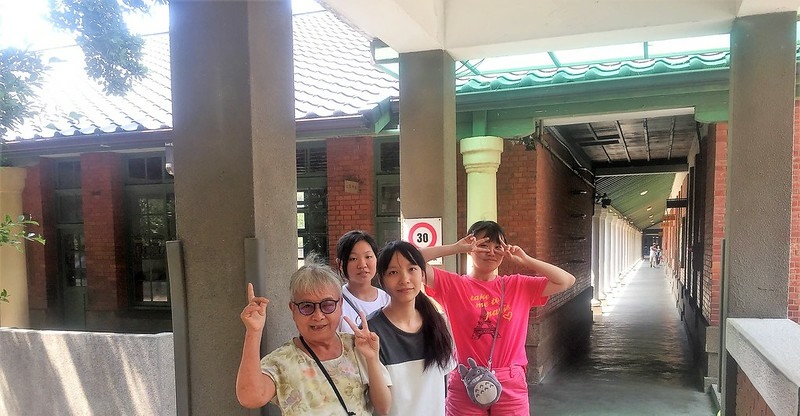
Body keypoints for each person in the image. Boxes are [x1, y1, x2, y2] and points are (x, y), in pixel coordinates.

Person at [419, 220, 576, 416]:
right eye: (484, 245)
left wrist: (525, 259)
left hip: (510, 383)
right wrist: (456, 248)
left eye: (498, 247)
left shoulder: (518, 286)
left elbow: (566, 280)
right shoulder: (453, 285)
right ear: (471, 248)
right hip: (466, 379)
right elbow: (412, 259)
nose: (491, 252)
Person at [236, 253, 392, 415]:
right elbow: (250, 398)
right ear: (293, 310)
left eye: (327, 305)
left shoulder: (357, 346)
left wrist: (372, 359)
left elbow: (383, 407)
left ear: (340, 305)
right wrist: (253, 332)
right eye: (307, 306)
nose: (318, 316)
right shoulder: (281, 361)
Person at [367, 240, 456, 416]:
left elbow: (444, 387)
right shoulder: (372, 331)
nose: (405, 279)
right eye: (393, 272)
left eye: (412, 269)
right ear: (382, 280)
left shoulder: (438, 323)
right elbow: (380, 407)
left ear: (422, 274)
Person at [335, 230, 390, 333]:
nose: (362, 265)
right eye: (353, 258)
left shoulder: (388, 300)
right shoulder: (335, 303)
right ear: (340, 264)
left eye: (368, 257)